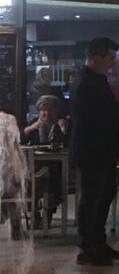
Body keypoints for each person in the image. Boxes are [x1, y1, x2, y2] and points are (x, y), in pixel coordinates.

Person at [68, 37, 119, 266]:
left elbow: (104, 112)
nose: (112, 63)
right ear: (96, 57)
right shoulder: (86, 83)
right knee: (91, 199)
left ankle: (98, 242)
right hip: (92, 150)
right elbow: (99, 115)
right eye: (110, 57)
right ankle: (88, 247)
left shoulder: (95, 80)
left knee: (104, 195)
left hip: (101, 150)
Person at [22, 95, 69, 228]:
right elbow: (21, 139)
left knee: (51, 174)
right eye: (43, 110)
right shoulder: (34, 123)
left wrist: (63, 129)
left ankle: (47, 213)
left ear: (56, 111)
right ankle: (34, 214)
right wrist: (31, 128)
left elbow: (67, 143)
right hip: (35, 165)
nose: (46, 113)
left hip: (56, 165)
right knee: (27, 178)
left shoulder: (61, 124)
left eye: (50, 110)